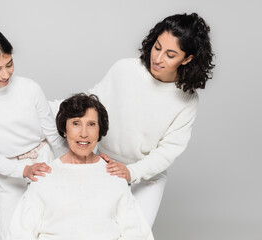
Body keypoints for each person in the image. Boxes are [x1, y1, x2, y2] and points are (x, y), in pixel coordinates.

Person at [87, 12, 215, 226]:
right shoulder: (125, 69)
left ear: (187, 58)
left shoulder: (187, 100)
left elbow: (168, 150)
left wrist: (132, 172)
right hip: (104, 163)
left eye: (170, 54)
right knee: (93, 228)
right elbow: (90, 105)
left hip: (148, 175)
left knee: (137, 233)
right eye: (157, 47)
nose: (157, 58)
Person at [0, 26, 67, 240]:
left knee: (51, 229)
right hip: (6, 172)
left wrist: (83, 157)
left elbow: (53, 136)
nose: (6, 74)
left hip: (43, 164)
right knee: (12, 235)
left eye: (9, 64)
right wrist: (23, 170)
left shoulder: (30, 88)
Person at [8, 93, 153, 240]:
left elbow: (137, 233)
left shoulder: (114, 175)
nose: (84, 134)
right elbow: (20, 234)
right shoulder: (44, 177)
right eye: (76, 123)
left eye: (91, 124)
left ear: (99, 130)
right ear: (65, 130)